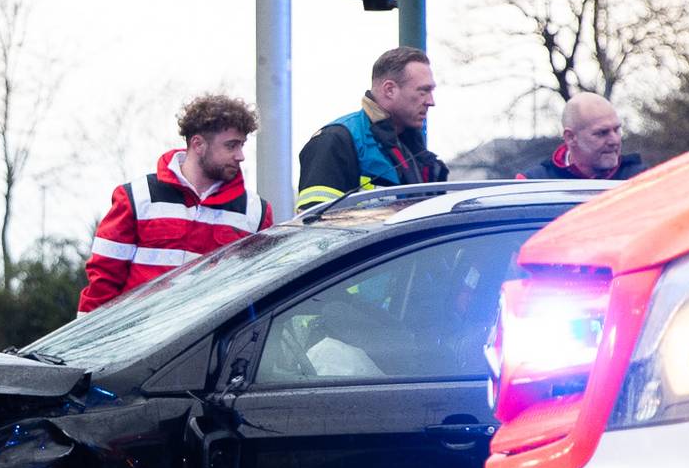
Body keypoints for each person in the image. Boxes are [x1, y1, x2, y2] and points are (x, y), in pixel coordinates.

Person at [77, 93, 276, 314]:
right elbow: (102, 284)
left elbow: (259, 294)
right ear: (198, 144)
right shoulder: (136, 198)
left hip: (214, 345)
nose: (240, 156)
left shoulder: (256, 212)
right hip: (138, 341)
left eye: (242, 145)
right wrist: (83, 346)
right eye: (231, 146)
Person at [298, 46, 448, 211]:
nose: (431, 101)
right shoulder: (335, 140)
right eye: (423, 91)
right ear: (389, 89)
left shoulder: (412, 149)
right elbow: (315, 225)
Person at [525, 92, 647, 181]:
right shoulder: (534, 185)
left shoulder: (642, 181)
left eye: (617, 130)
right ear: (570, 137)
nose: (614, 140)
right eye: (602, 133)